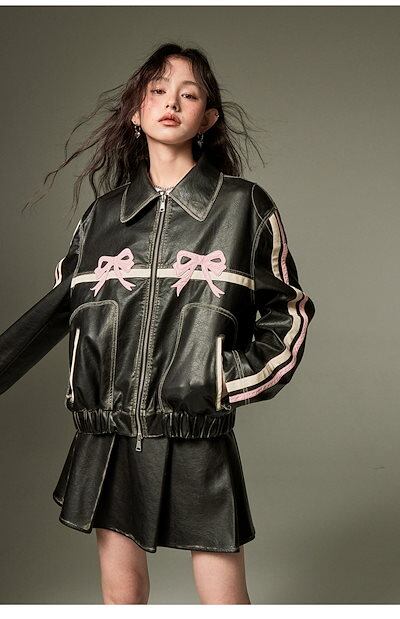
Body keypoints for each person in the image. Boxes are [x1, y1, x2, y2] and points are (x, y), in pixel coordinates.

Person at [0, 43, 316, 604]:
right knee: (122, 599)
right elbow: (58, 309)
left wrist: (219, 382)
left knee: (225, 603)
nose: (171, 103)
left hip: (196, 430)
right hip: (108, 431)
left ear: (208, 118)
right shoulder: (101, 217)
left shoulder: (243, 207)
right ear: (135, 111)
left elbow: (288, 312)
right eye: (158, 91)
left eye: (188, 95)